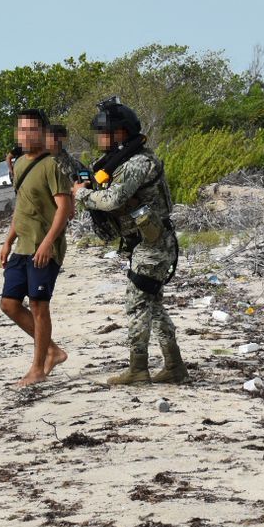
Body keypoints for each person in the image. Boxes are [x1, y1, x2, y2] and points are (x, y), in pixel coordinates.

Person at [72, 98, 186, 386]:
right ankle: (174, 366)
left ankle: (138, 369)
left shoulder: (139, 163)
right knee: (153, 305)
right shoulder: (126, 162)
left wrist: (81, 195)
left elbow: (113, 200)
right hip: (148, 244)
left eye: (104, 132)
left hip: (153, 246)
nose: (99, 139)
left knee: (137, 305)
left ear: (120, 133)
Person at [0, 109, 72, 386]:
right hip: (23, 247)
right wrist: (8, 241)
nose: (26, 135)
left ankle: (38, 368)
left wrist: (48, 244)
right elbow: (21, 208)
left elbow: (65, 208)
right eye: (22, 130)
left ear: (42, 133)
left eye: (32, 129)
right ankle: (52, 350)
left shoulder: (53, 165)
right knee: (9, 304)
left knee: (39, 305)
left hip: (45, 247)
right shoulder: (18, 165)